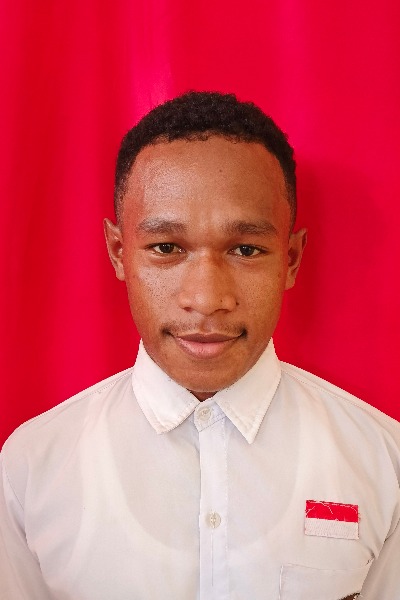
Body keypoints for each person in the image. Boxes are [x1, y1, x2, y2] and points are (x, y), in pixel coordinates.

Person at [0, 92, 399, 600]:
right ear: (119, 252)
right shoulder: (31, 467)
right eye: (166, 248)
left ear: (291, 259)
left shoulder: (382, 461)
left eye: (246, 249)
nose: (207, 299)